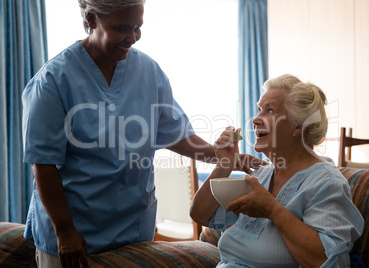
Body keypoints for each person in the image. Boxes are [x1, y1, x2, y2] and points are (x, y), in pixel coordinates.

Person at [21, 1, 264, 267]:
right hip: (74, 232)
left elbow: (177, 135)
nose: (133, 37)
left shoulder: (149, 71)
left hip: (134, 230)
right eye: (123, 28)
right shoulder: (54, 80)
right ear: (91, 20)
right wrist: (64, 230)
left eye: (138, 27)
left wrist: (224, 158)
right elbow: (43, 164)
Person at [190, 74, 365, 267]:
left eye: (269, 110)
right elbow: (201, 215)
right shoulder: (262, 175)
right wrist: (224, 165)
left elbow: (328, 261)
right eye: (258, 110)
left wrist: (272, 209)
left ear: (298, 125)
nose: (256, 119)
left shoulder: (326, 183)